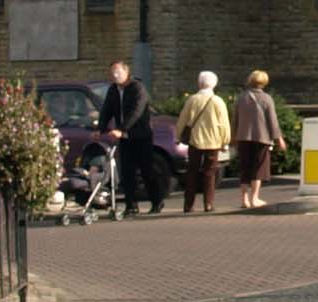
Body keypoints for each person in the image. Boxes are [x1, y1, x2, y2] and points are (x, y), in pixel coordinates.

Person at [98, 57, 168, 213]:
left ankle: (157, 201)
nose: (115, 75)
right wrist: (100, 129)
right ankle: (131, 205)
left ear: (126, 71)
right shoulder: (113, 90)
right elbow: (107, 110)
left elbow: (136, 112)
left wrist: (122, 129)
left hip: (140, 135)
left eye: (118, 71)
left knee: (146, 170)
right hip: (124, 138)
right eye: (112, 72)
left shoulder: (137, 88)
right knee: (127, 172)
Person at [175, 69, 231, 213]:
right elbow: (224, 123)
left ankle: (188, 205)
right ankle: (208, 204)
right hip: (213, 141)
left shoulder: (192, 100)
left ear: (199, 83)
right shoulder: (218, 101)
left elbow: (182, 120)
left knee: (192, 172)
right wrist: (225, 141)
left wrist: (177, 136)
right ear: (214, 84)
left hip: (195, 140)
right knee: (210, 173)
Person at [233, 69, 287, 211]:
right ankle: (254, 198)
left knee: (245, 168)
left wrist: (234, 136)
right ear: (264, 82)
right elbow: (272, 121)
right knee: (259, 169)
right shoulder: (266, 99)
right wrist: (278, 138)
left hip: (243, 137)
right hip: (261, 138)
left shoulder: (241, 97)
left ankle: (244, 198)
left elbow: (235, 119)